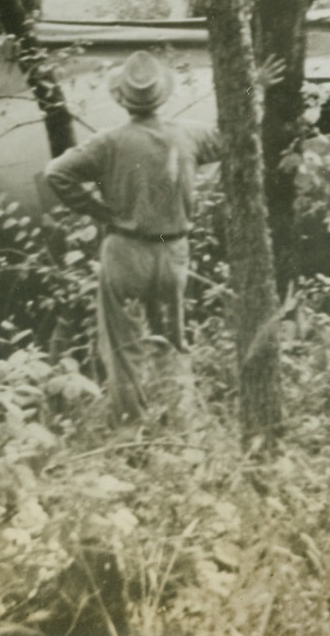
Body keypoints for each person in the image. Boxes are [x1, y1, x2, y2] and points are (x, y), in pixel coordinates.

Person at [43, 50, 220, 420]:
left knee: (123, 349)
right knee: (173, 341)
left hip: (125, 252)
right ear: (163, 96)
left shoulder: (109, 143)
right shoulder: (189, 135)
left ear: (123, 100)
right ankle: (181, 423)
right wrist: (255, 88)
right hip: (173, 253)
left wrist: (99, 211)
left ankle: (131, 428)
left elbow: (56, 173)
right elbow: (235, 133)